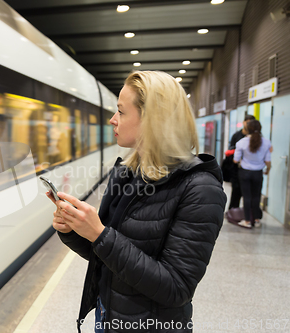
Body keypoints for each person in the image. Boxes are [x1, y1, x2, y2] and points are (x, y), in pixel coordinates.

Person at [45, 71, 226, 333]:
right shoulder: (129, 172)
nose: (113, 120)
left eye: (121, 112)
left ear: (152, 119)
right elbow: (106, 256)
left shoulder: (200, 189)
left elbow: (177, 288)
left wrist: (100, 234)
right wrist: (75, 230)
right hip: (109, 317)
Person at [233, 120, 271, 229]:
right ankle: (257, 219)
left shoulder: (241, 142)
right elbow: (268, 161)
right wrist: (268, 170)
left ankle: (247, 220)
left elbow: (236, 160)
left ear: (247, 130)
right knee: (256, 196)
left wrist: (242, 161)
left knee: (247, 196)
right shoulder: (266, 142)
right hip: (258, 173)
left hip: (244, 172)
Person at [227, 115, 256, 209]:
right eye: (247, 122)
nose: (248, 124)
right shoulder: (236, 136)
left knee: (249, 194)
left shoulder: (257, 137)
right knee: (236, 191)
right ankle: (233, 211)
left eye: (251, 122)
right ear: (243, 122)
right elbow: (230, 150)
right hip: (237, 168)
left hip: (251, 169)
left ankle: (248, 215)